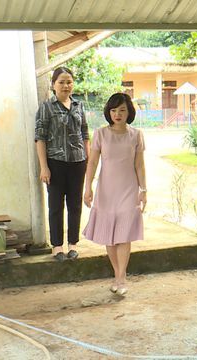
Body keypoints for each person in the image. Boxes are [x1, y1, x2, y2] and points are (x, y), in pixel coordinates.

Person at [83, 93, 147, 296]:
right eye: (113, 110)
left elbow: (139, 164)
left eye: (122, 110)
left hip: (128, 189)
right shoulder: (101, 134)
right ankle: (117, 276)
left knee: (124, 235)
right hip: (106, 190)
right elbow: (92, 162)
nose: (117, 114)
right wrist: (87, 188)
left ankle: (121, 278)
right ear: (108, 112)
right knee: (109, 237)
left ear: (129, 112)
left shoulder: (136, 135)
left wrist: (143, 190)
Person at [35, 67, 90, 261]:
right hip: (55, 163)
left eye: (69, 82)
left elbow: (85, 134)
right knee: (56, 205)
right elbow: (40, 138)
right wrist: (44, 166)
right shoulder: (46, 107)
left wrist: (88, 161)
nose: (66, 86)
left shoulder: (79, 105)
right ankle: (57, 247)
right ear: (53, 85)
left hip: (78, 162)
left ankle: (73, 244)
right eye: (61, 82)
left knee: (75, 205)